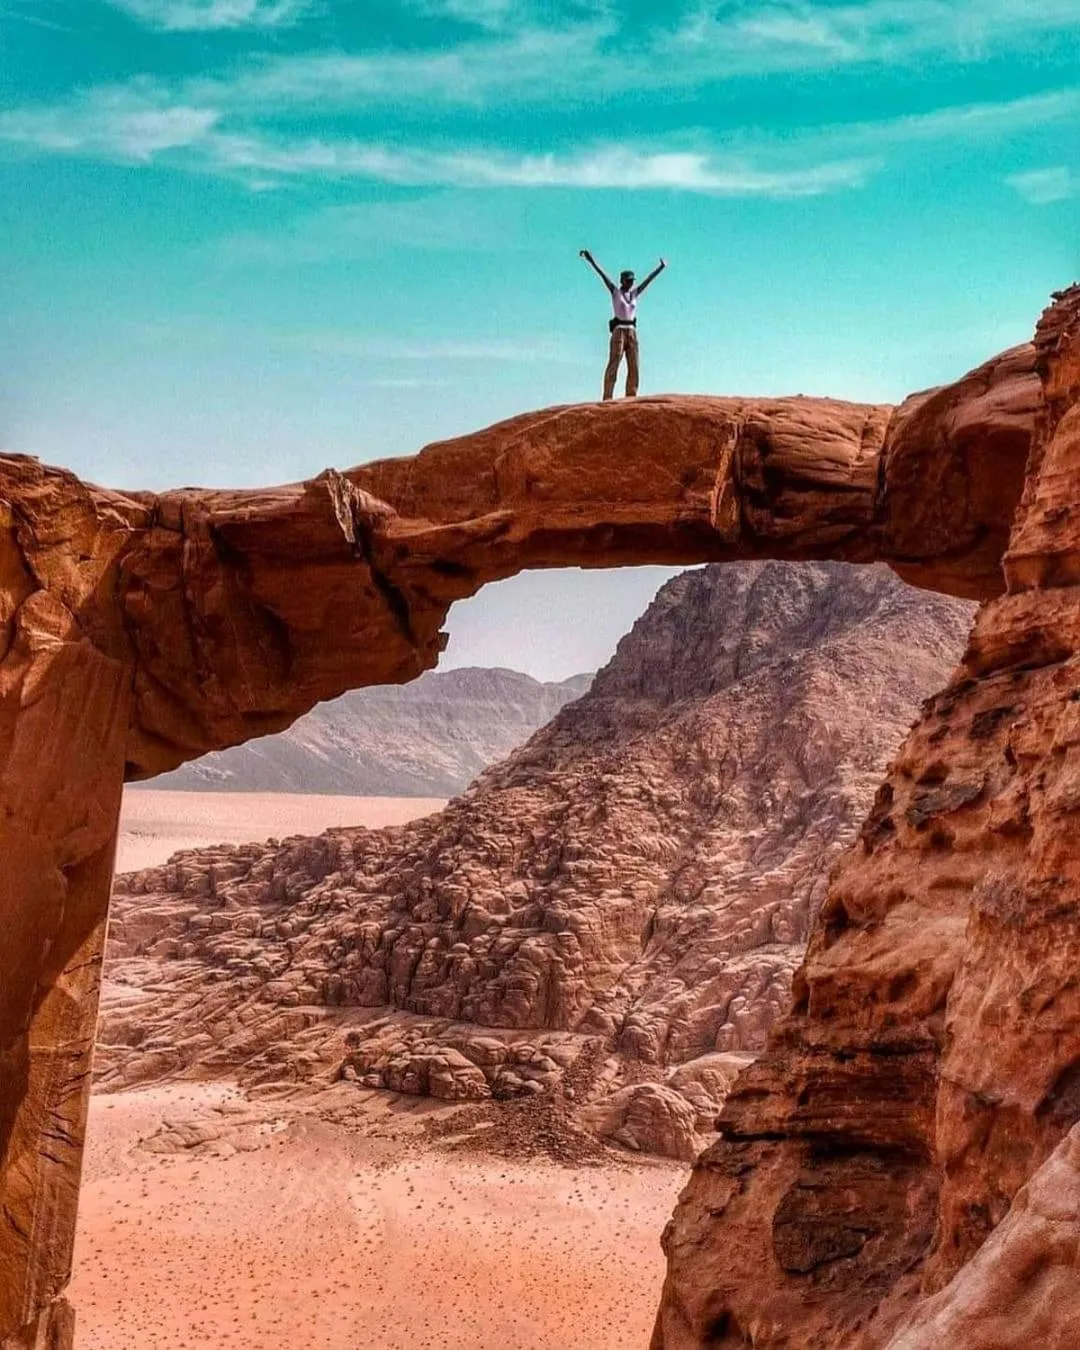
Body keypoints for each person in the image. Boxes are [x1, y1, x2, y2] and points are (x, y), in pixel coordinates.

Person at [579, 249, 667, 400]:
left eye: (632, 281)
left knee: (634, 366)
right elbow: (602, 274)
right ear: (622, 281)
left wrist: (660, 268)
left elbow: (648, 280)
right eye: (628, 281)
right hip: (619, 332)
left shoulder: (634, 294)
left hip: (632, 332)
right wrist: (590, 259)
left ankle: (631, 397)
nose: (631, 283)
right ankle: (608, 397)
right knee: (614, 363)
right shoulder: (615, 292)